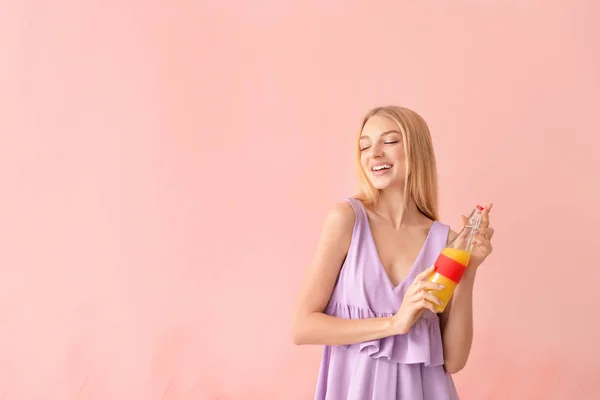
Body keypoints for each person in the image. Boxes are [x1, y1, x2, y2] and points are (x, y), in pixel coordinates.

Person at [291, 105, 495, 399]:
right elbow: (302, 327)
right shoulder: (347, 219)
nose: (374, 153)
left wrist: (469, 270)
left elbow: (454, 360)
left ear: (416, 150)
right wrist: (394, 324)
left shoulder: (446, 241)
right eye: (365, 146)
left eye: (389, 141)